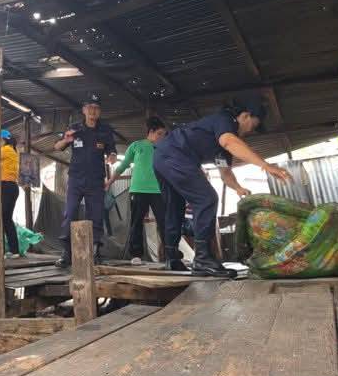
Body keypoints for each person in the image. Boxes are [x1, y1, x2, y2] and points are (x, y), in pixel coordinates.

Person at [154, 94, 291, 277]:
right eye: (253, 125)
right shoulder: (225, 120)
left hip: (161, 156)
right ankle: (202, 259)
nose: (251, 131)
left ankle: (172, 258)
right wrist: (265, 165)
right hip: (176, 154)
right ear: (245, 116)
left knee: (175, 205)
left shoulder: (222, 147)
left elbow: (225, 173)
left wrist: (238, 188)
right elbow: (229, 141)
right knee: (207, 198)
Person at [54, 93, 117, 267]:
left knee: (96, 215)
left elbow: (112, 150)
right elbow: (57, 147)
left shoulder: (105, 130)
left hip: (96, 180)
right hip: (76, 179)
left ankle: (95, 252)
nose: (93, 111)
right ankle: (66, 253)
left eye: (96, 108)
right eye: (89, 107)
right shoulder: (74, 128)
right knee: (70, 213)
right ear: (84, 110)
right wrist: (65, 140)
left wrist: (112, 156)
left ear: (99, 111)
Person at [105, 116, 168, 265]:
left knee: (165, 222)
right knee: (136, 222)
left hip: (159, 190)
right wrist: (109, 182)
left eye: (163, 134)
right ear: (150, 132)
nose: (162, 137)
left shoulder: (165, 147)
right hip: (139, 190)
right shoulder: (136, 146)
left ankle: (170, 254)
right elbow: (122, 166)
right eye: (159, 134)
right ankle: (136, 254)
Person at [0, 129, 22, 257]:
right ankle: (14, 250)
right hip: (11, 187)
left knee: (2, 218)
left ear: (2, 139)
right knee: (7, 219)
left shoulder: (5, 150)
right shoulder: (12, 150)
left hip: (7, 186)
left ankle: (1, 250)